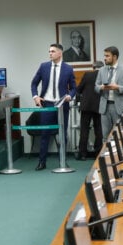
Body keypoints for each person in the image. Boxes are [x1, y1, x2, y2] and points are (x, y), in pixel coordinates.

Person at [30, 43, 76, 171]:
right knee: (45, 133)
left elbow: (73, 88)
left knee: (62, 134)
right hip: (47, 104)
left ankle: (62, 161)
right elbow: (34, 83)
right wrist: (35, 96)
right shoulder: (44, 67)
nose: (50, 53)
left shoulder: (68, 68)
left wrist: (70, 96)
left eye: (53, 51)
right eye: (49, 51)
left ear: (60, 53)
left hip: (62, 104)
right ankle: (42, 162)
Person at [95, 46, 123, 141]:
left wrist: (118, 87)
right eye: (104, 56)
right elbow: (96, 87)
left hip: (118, 106)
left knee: (120, 135)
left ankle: (119, 155)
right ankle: (106, 155)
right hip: (104, 107)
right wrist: (101, 88)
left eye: (107, 56)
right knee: (105, 136)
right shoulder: (102, 70)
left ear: (115, 57)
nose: (105, 58)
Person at [75, 61, 104, 160]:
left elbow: (78, 89)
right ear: (103, 67)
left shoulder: (87, 75)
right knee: (99, 130)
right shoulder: (105, 76)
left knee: (84, 130)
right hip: (99, 106)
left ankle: (82, 154)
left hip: (86, 106)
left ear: (93, 67)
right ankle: (98, 153)